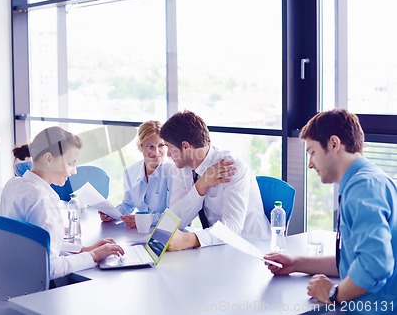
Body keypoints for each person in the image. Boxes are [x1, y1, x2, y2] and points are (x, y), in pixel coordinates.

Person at [265, 109, 397, 310]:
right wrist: (295, 263)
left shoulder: (362, 189)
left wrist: (334, 294)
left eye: (312, 152)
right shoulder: (370, 180)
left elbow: (375, 265)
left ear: (334, 144)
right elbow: (353, 259)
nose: (310, 164)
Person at [0, 126, 124, 286]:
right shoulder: (40, 199)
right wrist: (93, 256)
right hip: (32, 290)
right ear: (48, 159)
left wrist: (83, 250)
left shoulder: (14, 185)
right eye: (71, 163)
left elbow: (37, 242)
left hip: (9, 280)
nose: (74, 171)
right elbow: (50, 267)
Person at [159, 110, 270, 251]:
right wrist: (201, 185)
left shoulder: (230, 166)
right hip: (215, 247)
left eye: (169, 148)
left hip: (250, 247)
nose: (167, 154)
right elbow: (173, 221)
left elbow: (232, 227)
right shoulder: (182, 167)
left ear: (186, 146)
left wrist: (189, 239)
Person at [99, 120, 175, 228]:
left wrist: (144, 220)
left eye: (161, 145)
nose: (156, 152)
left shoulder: (173, 173)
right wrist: (112, 214)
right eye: (150, 146)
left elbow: (173, 215)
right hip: (140, 232)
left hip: (165, 232)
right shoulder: (130, 173)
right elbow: (127, 204)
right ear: (141, 147)